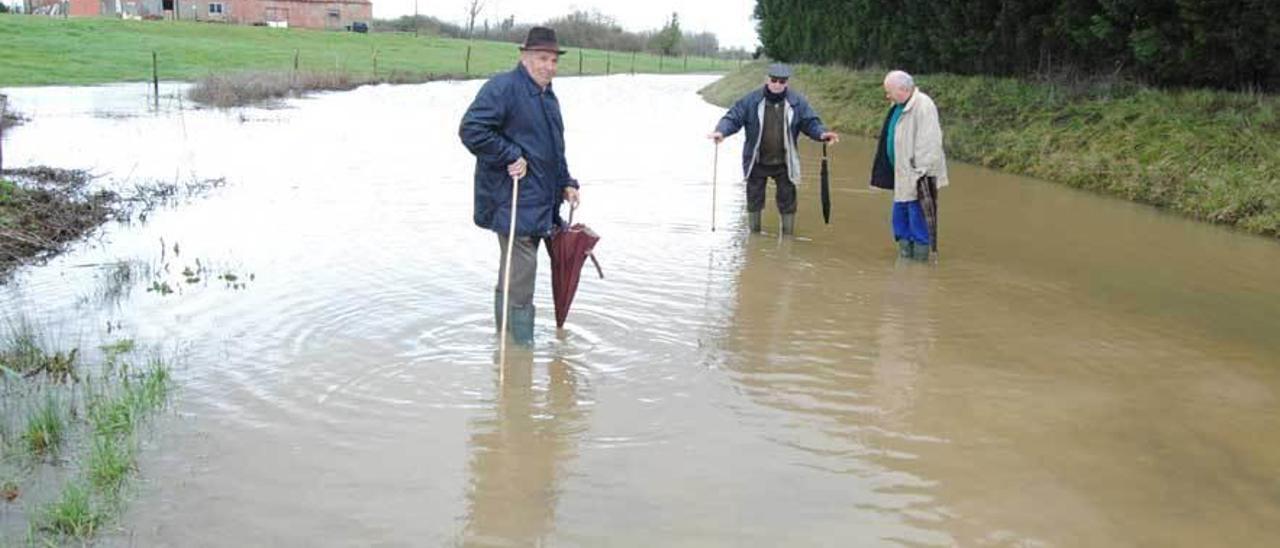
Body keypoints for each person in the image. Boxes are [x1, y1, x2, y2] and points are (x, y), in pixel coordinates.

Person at [459, 26, 580, 344]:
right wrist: (510, 154)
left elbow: (555, 149)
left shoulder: (548, 96)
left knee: (515, 274)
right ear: (525, 57)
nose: (549, 67)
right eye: (542, 58)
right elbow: (472, 129)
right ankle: (520, 352)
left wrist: (567, 182)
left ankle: (507, 342)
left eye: (554, 60)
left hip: (541, 202)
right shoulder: (503, 88)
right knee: (522, 277)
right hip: (511, 201)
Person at [708, 63, 838, 235]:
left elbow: (811, 123)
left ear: (787, 83)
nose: (777, 84)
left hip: (784, 162)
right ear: (767, 79)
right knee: (754, 199)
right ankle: (754, 236)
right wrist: (721, 132)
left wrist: (822, 134)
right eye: (774, 80)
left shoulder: (797, 102)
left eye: (782, 81)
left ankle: (787, 236)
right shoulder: (751, 101)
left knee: (788, 201)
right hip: (757, 160)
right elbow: (733, 117)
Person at [869, 70, 949, 261]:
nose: (887, 95)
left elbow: (930, 144)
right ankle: (905, 260)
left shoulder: (924, 106)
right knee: (900, 222)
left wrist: (919, 175)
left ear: (903, 89)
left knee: (918, 223)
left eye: (889, 91)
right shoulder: (898, 105)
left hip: (918, 178)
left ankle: (919, 265)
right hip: (901, 175)